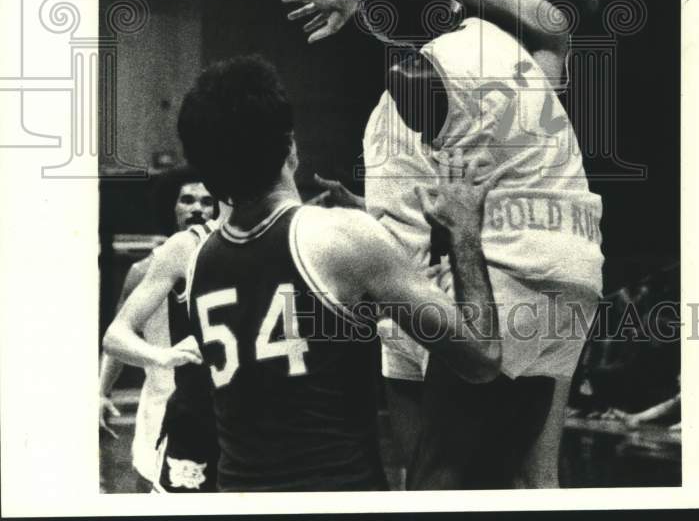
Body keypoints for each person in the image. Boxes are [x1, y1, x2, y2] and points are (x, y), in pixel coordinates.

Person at [282, 0, 605, 488]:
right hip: (454, 245)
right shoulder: (469, 48)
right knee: (471, 468)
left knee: (459, 474)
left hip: (499, 260)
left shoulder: (531, 44)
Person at [179, 54, 503, 492]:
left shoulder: (198, 260)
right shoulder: (343, 237)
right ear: (290, 144)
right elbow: (482, 357)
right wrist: (464, 231)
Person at [102, 178, 222, 492]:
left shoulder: (227, 264)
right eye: (187, 200)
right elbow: (117, 337)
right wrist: (102, 391)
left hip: (212, 413)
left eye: (206, 201)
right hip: (159, 407)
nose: (197, 208)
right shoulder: (143, 270)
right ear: (171, 206)